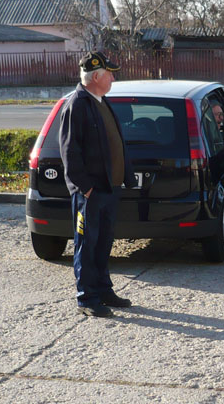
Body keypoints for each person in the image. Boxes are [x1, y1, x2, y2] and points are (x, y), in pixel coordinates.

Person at [59, 51, 138, 317]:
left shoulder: (101, 101)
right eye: (109, 74)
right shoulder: (77, 105)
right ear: (96, 77)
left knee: (104, 243)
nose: (113, 79)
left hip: (109, 188)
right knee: (87, 244)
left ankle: (103, 290)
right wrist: (86, 188)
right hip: (90, 193)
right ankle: (87, 297)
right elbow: (69, 152)